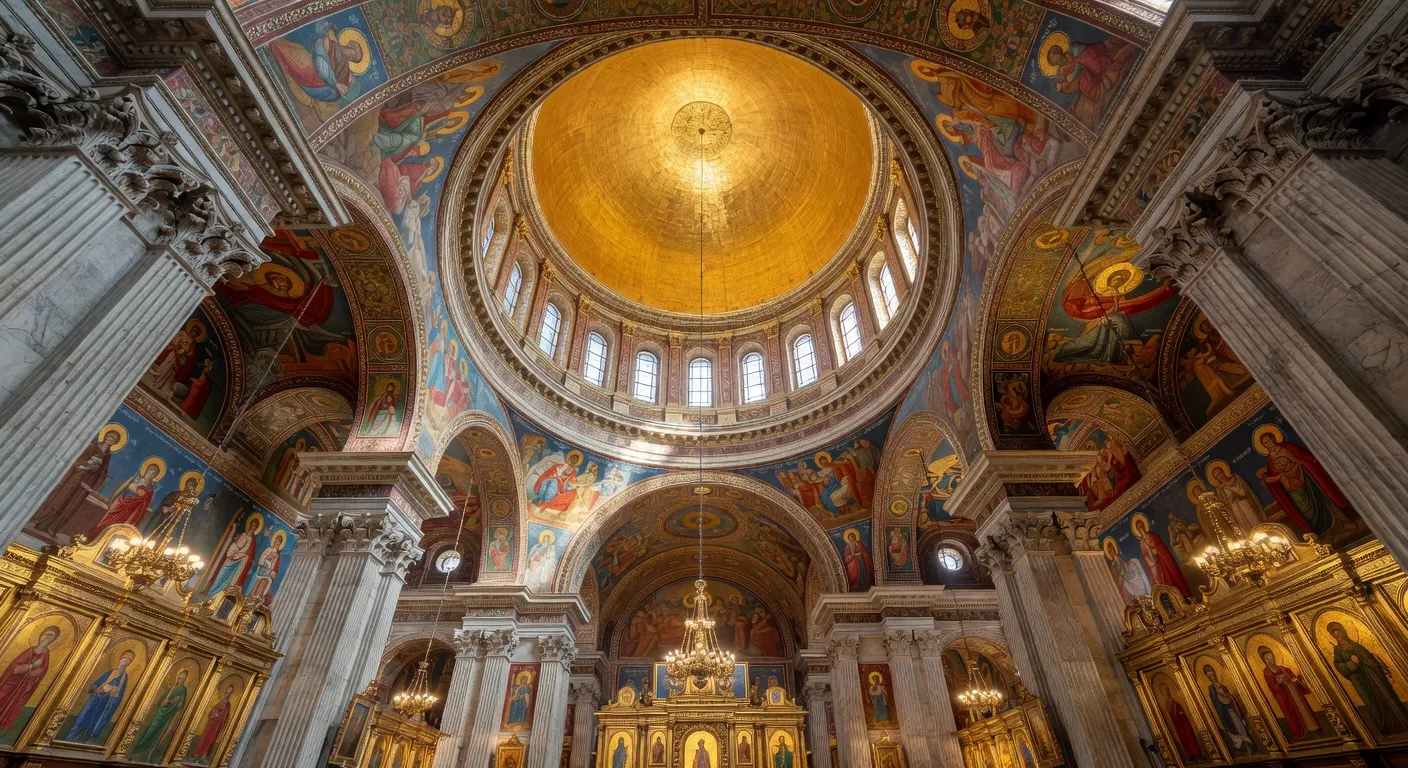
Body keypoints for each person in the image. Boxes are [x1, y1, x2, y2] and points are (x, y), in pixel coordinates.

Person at [31, 428, 122, 537]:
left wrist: (95, 474)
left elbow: (103, 471)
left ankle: (52, 527)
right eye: (110, 437)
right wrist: (86, 463)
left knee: (71, 504)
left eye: (113, 439)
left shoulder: (107, 455)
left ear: (115, 443)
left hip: (87, 483)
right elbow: (78, 459)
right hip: (76, 476)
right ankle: (41, 521)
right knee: (61, 499)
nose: (110, 440)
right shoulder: (93, 446)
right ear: (105, 436)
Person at [1327, 622, 1408, 735]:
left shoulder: (1356, 646)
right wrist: (1351, 663)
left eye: (1339, 631)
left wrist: (1371, 662)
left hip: (1374, 678)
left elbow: (1370, 659)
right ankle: (1387, 731)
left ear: (1343, 631)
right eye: (1334, 634)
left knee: (1387, 697)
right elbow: (1340, 667)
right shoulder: (1338, 651)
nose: (1337, 635)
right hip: (1361, 682)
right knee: (1373, 705)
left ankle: (1403, 725)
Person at [66, 650, 135, 743]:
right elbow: (98, 682)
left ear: (129, 663)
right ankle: (70, 738)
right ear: (120, 659)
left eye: (127, 661)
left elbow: (120, 693)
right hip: (96, 698)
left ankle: (85, 741)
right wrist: (97, 688)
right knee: (84, 716)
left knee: (94, 721)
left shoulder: (124, 677)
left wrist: (112, 689)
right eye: (123, 659)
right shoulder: (110, 672)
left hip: (106, 703)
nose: (124, 662)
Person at [0, 626, 60, 729]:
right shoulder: (30, 650)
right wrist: (31, 666)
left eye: (50, 637)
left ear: (53, 640)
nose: (46, 638)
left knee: (13, 704)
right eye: (45, 634)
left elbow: (42, 670)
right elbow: (15, 669)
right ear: (41, 635)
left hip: (23, 687)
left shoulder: (46, 654)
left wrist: (33, 672)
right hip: (10, 683)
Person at [1259, 646, 1320, 739]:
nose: (1269, 660)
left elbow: (1294, 678)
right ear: (1264, 660)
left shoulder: (1283, 668)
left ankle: (1313, 728)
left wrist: (1293, 679)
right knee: (1292, 714)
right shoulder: (1267, 672)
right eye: (1267, 659)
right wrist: (1279, 682)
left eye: (1270, 657)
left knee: (1303, 708)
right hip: (1284, 697)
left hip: (1294, 692)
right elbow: (1273, 686)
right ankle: (1301, 733)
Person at [129, 670, 190, 762]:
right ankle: (137, 751)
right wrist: (165, 702)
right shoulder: (171, 688)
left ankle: (147, 754)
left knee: (157, 734)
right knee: (149, 732)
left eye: (183, 678)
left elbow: (180, 704)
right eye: (179, 677)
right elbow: (161, 701)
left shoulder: (182, 690)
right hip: (160, 713)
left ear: (185, 679)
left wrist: (174, 702)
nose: (180, 679)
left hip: (168, 716)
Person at [1202, 664, 1254, 753]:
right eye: (1209, 675)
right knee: (1232, 728)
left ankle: (1248, 745)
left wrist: (1228, 697)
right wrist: (1221, 699)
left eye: (1212, 674)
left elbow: (1230, 697)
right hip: (1224, 711)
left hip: (1231, 709)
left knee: (1239, 725)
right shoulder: (1211, 688)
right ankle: (1241, 747)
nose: (1211, 677)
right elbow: (1215, 701)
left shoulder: (1222, 686)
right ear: (1207, 677)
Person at [189, 683, 236, 762]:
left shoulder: (228, 703)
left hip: (216, 726)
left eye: (230, 690)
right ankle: (196, 753)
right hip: (211, 722)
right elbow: (213, 709)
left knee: (210, 739)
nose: (228, 691)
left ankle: (204, 755)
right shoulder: (221, 699)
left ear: (231, 693)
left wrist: (219, 714)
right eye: (228, 689)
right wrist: (213, 714)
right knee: (204, 737)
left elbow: (226, 714)